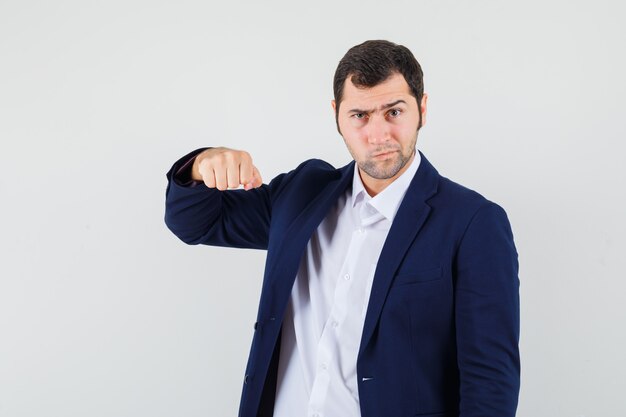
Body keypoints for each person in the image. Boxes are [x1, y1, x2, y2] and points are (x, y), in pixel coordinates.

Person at [164, 40, 520, 417]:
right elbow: (194, 223)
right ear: (337, 116)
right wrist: (202, 165)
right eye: (360, 116)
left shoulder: (473, 222)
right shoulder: (302, 194)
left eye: (394, 111)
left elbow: (490, 381)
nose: (378, 135)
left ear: (422, 109)